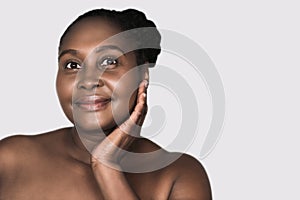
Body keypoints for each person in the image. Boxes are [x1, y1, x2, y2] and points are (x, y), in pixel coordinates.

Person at [0, 8, 212, 199]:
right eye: (72, 65)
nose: (88, 80)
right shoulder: (9, 160)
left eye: (109, 62)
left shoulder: (178, 175)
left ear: (142, 75)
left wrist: (107, 169)